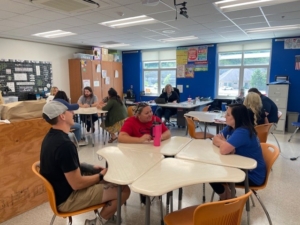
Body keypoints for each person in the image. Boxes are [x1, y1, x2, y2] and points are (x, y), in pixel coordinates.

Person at [40, 99, 130, 225]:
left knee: (111, 180)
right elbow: (77, 184)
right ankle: (98, 222)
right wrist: (100, 176)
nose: (73, 113)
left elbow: (67, 166)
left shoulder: (51, 137)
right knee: (124, 190)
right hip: (68, 199)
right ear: (62, 116)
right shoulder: (64, 145)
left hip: (61, 190)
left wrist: (91, 168)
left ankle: (105, 216)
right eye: (70, 111)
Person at [210, 104, 266, 200]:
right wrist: (225, 144)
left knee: (211, 174)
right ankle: (229, 194)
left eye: (228, 115)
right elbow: (215, 138)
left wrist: (225, 145)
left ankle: (226, 199)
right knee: (213, 169)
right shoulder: (231, 127)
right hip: (239, 167)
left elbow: (223, 150)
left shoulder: (243, 132)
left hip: (252, 175)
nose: (224, 117)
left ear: (237, 117)